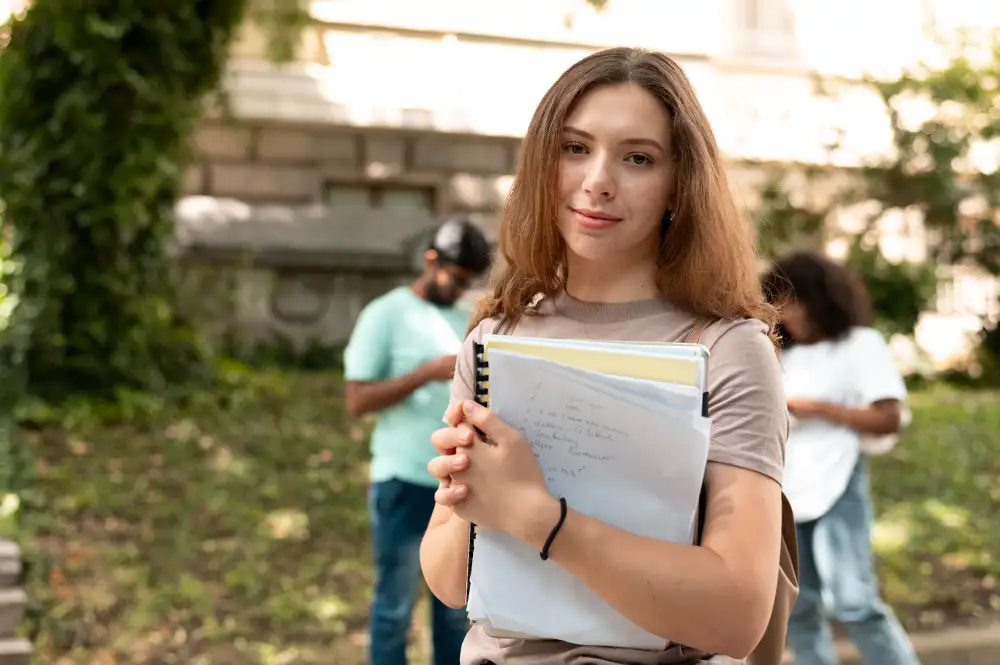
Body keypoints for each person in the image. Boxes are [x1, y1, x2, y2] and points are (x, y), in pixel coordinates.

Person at [418, 47, 789, 664]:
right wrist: (467, 497)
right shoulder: (495, 337)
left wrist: (539, 517)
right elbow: (450, 581)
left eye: (638, 158)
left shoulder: (726, 349)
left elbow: (738, 616)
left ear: (679, 184)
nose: (598, 181)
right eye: (574, 148)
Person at [343, 218, 492, 665]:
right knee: (393, 608)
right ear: (431, 261)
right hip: (402, 484)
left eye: (471, 282)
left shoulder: (469, 319)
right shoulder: (385, 314)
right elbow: (357, 400)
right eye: (457, 278)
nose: (462, 288)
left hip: (455, 488)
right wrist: (425, 374)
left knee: (452, 613)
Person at [762, 252, 920, 665]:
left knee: (855, 603)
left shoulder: (859, 345)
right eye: (779, 303)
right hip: (787, 492)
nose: (788, 314)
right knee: (799, 609)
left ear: (823, 299)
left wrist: (819, 409)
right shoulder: (778, 355)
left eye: (796, 302)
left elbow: (888, 418)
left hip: (839, 485)